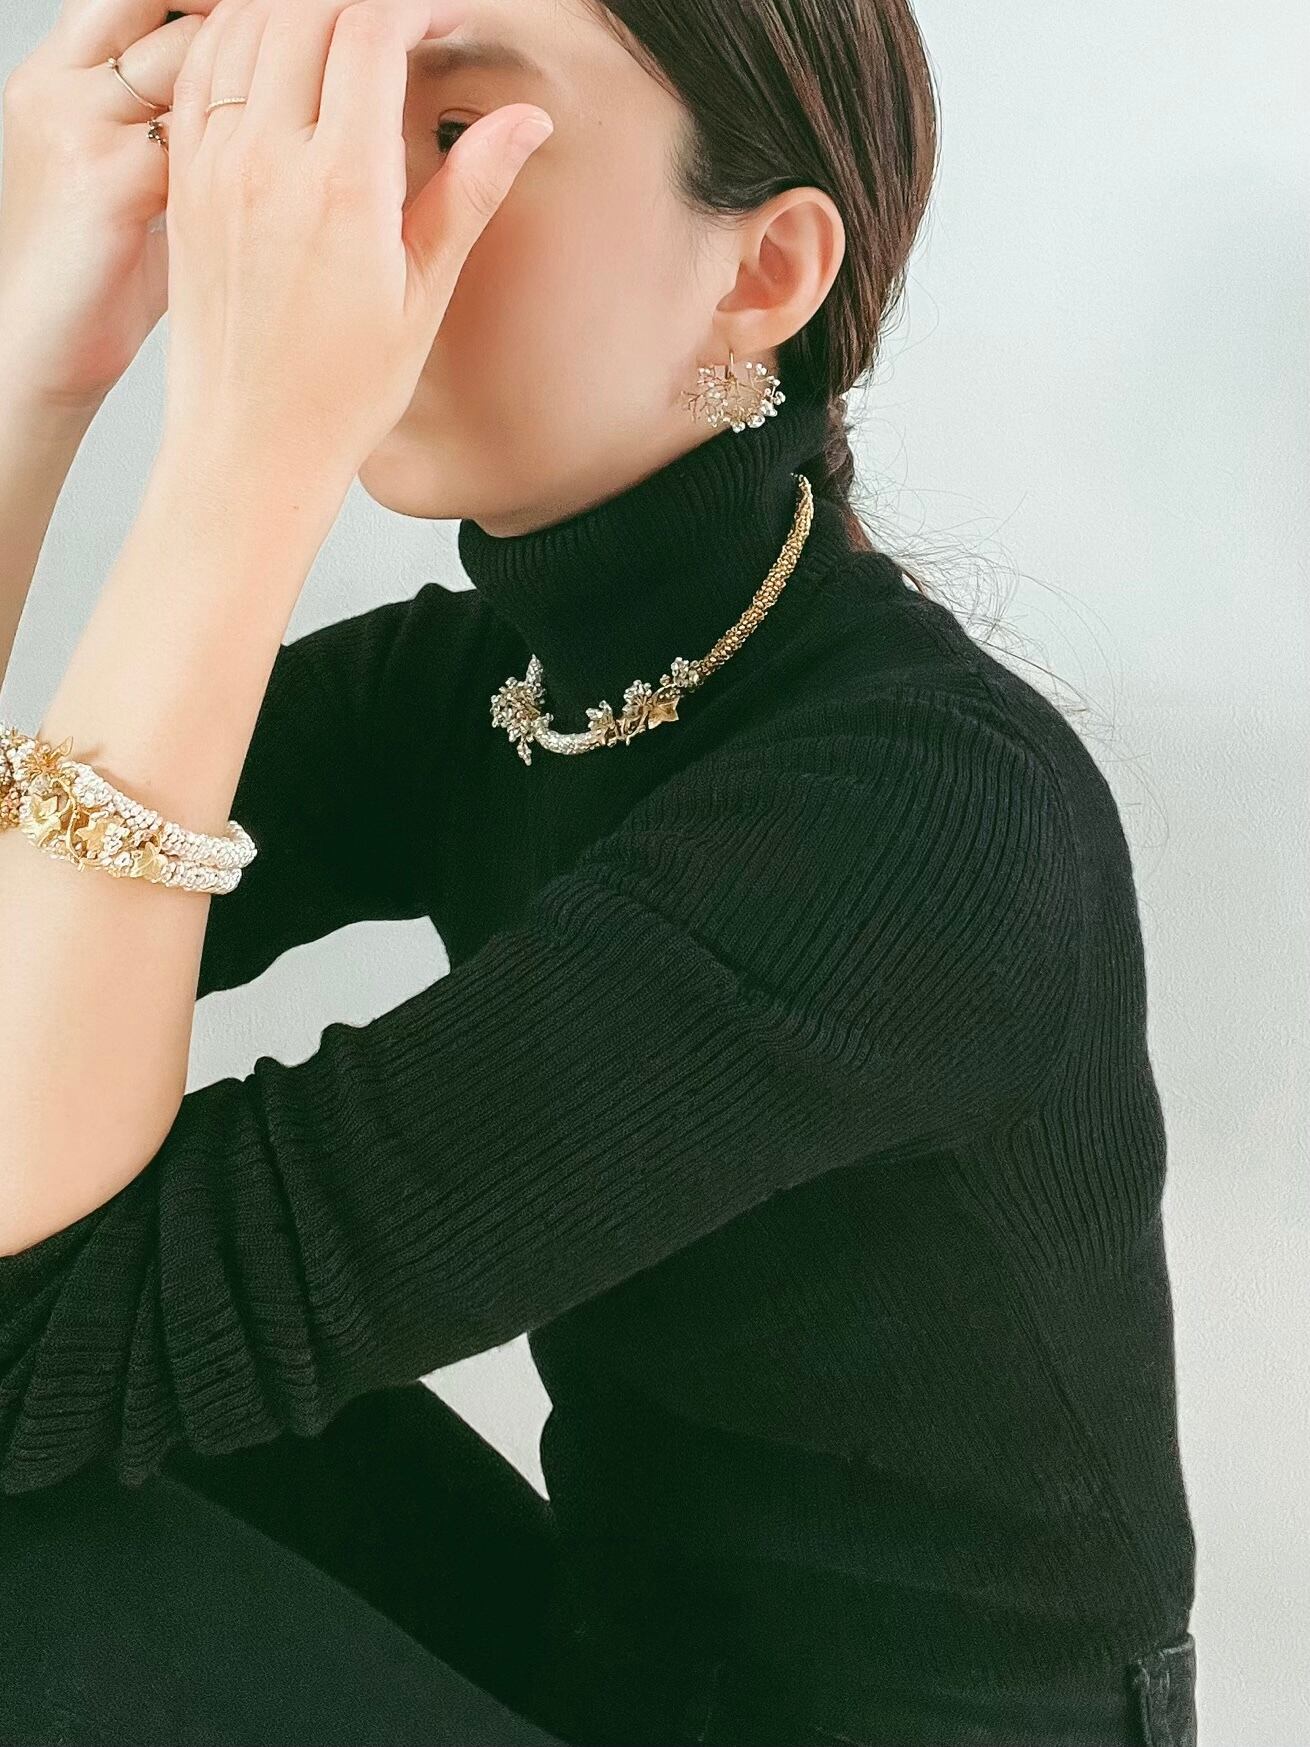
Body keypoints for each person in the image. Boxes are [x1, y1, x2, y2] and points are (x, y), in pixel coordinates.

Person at [0, 0, 1198, 1744]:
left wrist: (241, 462)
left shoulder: (913, 818)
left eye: (450, 131)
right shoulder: (494, 689)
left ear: (763, 273)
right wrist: (35, 368)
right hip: (615, 1670)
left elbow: (44, 1338)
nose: (317, 217)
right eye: (318, 116)